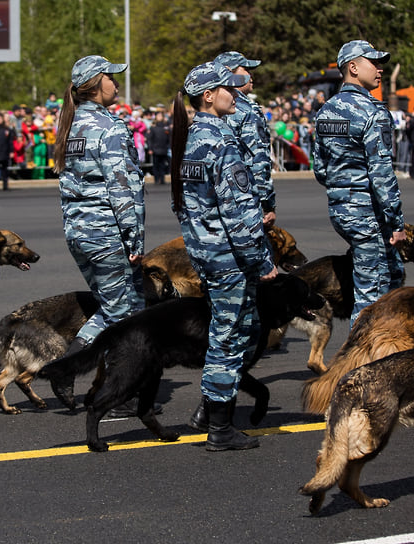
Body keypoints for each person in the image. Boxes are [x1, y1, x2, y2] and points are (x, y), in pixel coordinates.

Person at [170, 61, 278, 451]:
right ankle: (218, 426)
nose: (235, 94)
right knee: (228, 337)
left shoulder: (191, 141)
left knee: (235, 330)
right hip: (230, 257)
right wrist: (263, 261)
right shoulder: (220, 142)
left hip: (207, 253)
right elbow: (240, 214)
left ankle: (211, 412)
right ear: (208, 96)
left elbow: (185, 207)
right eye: (227, 89)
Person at [49, 55, 147, 413]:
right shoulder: (110, 127)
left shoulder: (70, 126)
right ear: (94, 84)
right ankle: (117, 394)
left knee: (118, 307)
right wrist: (133, 239)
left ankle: (70, 368)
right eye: (111, 77)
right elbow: (123, 189)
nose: (117, 83)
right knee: (124, 314)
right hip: (108, 233)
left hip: (80, 232)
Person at [313, 40, 405, 326]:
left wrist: (343, 188)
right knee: (372, 294)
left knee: (391, 276)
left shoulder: (326, 111)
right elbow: (382, 174)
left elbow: (320, 168)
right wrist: (397, 222)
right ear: (352, 67)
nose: (379, 69)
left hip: (342, 209)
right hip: (368, 214)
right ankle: (363, 362)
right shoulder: (372, 112)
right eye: (373, 63)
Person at [214, 51, 276, 225]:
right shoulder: (246, 110)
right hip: (245, 197)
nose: (251, 75)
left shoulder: (210, 108)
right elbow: (258, 159)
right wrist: (266, 203)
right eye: (245, 69)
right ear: (229, 72)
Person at [146, 110, 170, 184]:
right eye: (158, 116)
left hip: (164, 148)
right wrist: (150, 148)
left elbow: (169, 138)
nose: (160, 117)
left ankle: (162, 179)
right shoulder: (153, 127)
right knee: (156, 165)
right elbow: (149, 139)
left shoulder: (166, 127)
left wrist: (168, 146)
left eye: (161, 116)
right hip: (155, 148)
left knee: (162, 165)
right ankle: (156, 179)